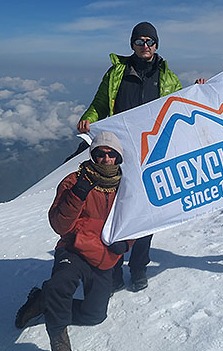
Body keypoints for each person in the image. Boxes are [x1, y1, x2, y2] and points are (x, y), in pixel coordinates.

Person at [76, 21, 192, 292]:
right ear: (132, 44)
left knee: (145, 211)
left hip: (150, 154)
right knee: (114, 211)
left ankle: (138, 267)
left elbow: (183, 105)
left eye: (150, 42)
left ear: (157, 45)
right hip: (119, 152)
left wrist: (199, 89)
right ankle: (113, 268)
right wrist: (89, 118)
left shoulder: (167, 77)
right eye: (140, 42)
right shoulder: (117, 73)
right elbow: (100, 104)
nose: (145, 47)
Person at [14, 131, 132, 351]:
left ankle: (41, 300)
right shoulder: (73, 182)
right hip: (73, 250)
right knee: (60, 285)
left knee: (94, 316)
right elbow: (60, 226)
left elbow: (136, 219)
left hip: (105, 256)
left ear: (119, 157)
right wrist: (77, 195)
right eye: (100, 154)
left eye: (111, 154)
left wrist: (127, 244)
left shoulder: (126, 185)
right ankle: (59, 339)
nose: (106, 159)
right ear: (92, 155)